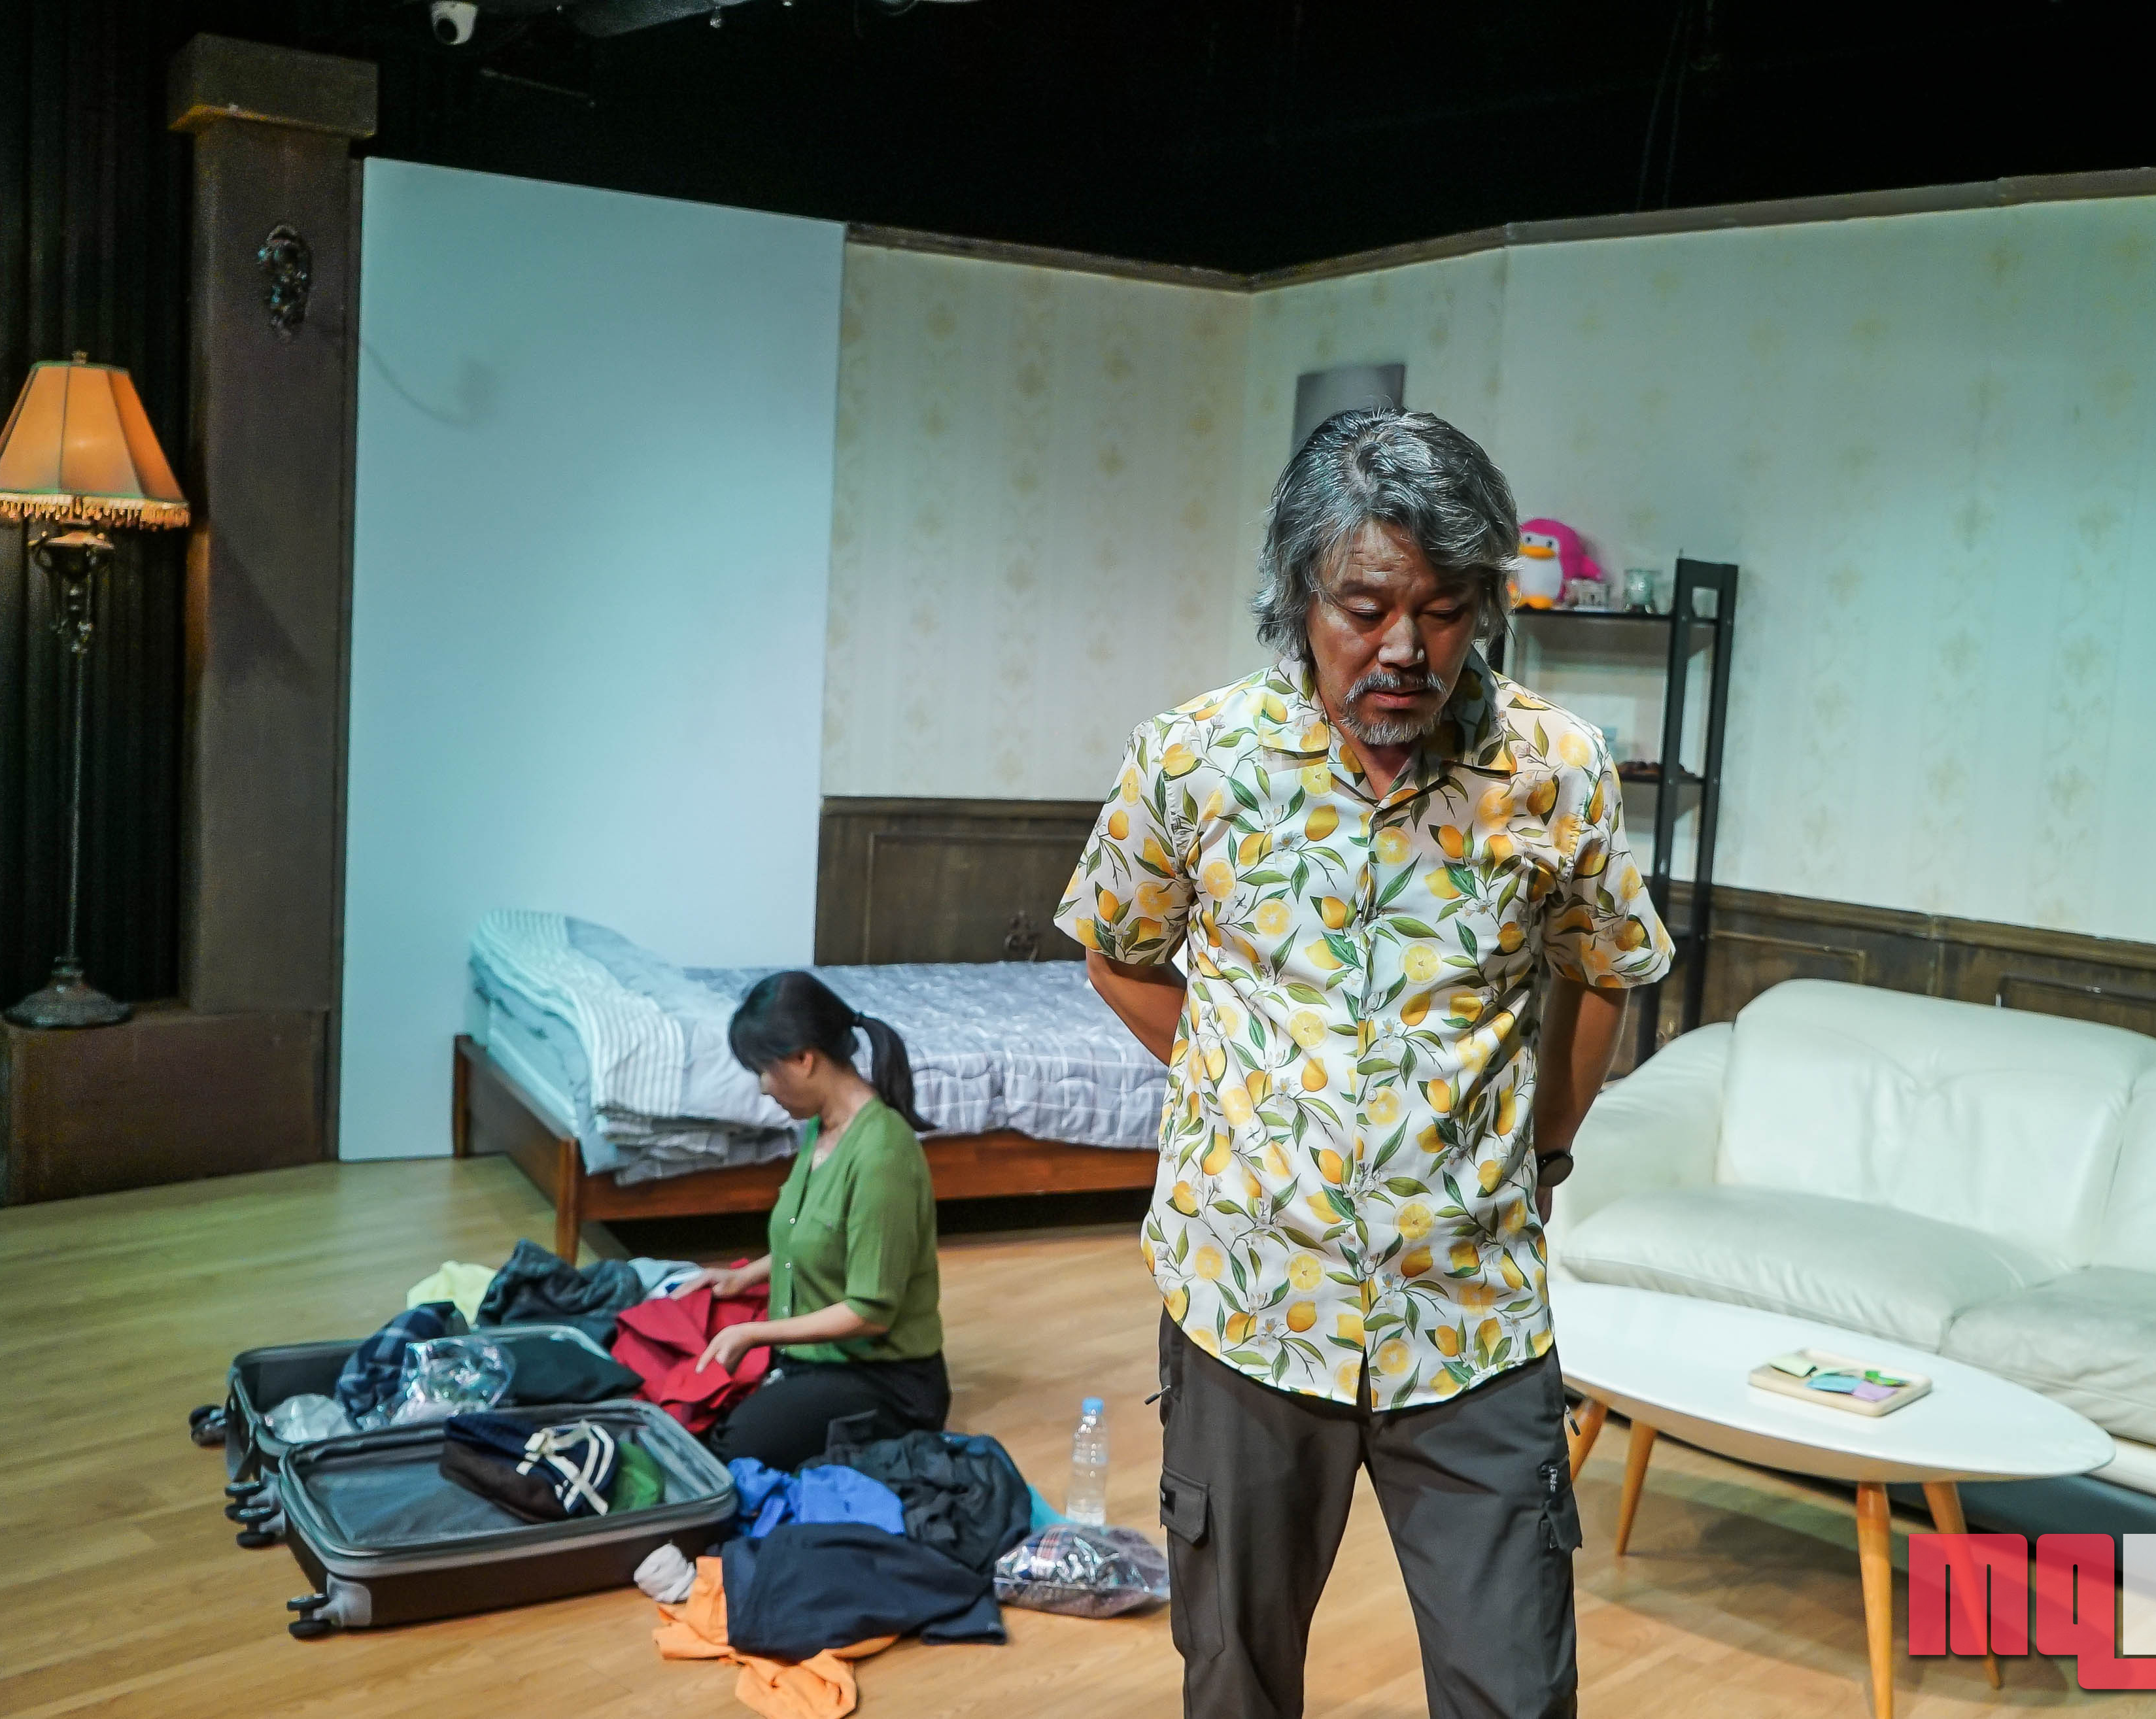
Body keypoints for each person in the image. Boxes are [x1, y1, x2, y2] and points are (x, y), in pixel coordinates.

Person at [1055, 408, 1671, 1719]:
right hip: (1247, 1300)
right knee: (1236, 1680)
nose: (1404, 647)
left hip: (1471, 1315)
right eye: (1365, 606)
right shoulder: (1193, 758)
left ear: (1483, 606)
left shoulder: (1554, 768)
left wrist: (1546, 1147)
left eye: (1443, 610)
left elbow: (1604, 966)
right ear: (1297, 596)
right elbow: (1119, 952)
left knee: (1516, 1687)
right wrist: (1240, 1083)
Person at [693, 971, 950, 1472]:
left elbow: (870, 1312)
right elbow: (816, 1233)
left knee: (728, 1456)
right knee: (693, 1404)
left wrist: (755, 1334)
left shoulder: (882, 1153)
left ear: (802, 1059)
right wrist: (745, 1276)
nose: (763, 1087)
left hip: (884, 1379)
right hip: (812, 1359)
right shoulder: (821, 1127)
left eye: (764, 1070)